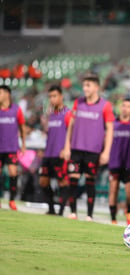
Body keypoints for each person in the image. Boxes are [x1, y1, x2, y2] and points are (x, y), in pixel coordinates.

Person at [62, 73, 114, 221]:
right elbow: (71, 125)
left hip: (93, 150)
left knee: (90, 180)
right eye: (84, 85)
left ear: (96, 87)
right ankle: (72, 212)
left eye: (88, 85)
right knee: (73, 179)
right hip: (76, 148)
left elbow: (110, 129)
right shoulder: (78, 103)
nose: (85, 88)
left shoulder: (105, 105)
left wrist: (106, 151)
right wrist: (67, 146)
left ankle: (89, 215)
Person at [39, 85, 71, 216]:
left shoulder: (68, 113)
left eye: (54, 96)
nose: (52, 99)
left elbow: (72, 133)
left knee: (62, 181)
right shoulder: (51, 115)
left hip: (60, 153)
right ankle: (51, 209)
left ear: (61, 96)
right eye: (50, 97)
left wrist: (66, 148)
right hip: (48, 153)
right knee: (43, 181)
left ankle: (61, 211)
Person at [108, 98, 130, 225]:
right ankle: (113, 219)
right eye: (124, 106)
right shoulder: (113, 124)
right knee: (113, 189)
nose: (125, 108)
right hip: (115, 161)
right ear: (120, 107)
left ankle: (129, 217)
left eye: (128, 106)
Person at [0, 85, 26, 210]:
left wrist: (23, 144)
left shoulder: (16, 109)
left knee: (13, 173)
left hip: (11, 147)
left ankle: (12, 200)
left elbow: (22, 127)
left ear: (7, 94)